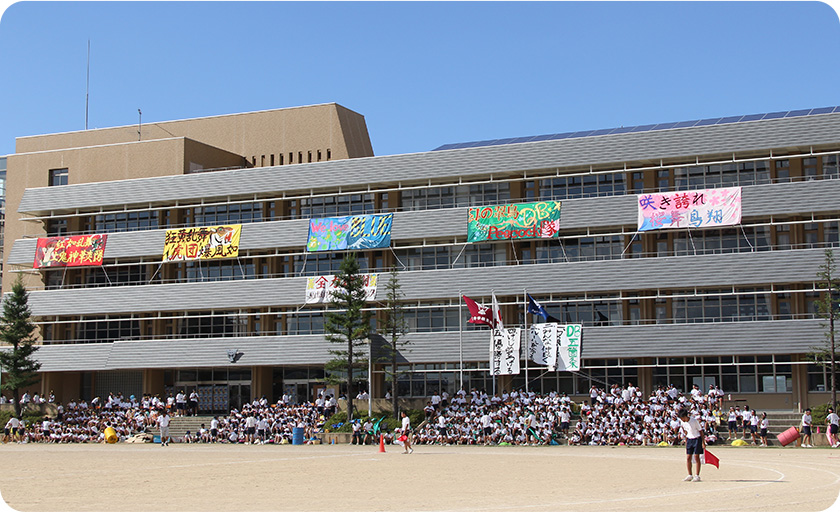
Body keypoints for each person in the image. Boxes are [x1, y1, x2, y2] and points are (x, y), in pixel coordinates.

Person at [678, 408, 704, 482]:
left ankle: (697, 475)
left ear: (685, 416)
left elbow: (701, 431)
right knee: (688, 457)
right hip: (689, 439)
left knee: (696, 457)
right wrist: (686, 438)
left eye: (682, 418)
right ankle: (690, 475)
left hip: (697, 439)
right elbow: (685, 430)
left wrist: (703, 442)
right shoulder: (682, 423)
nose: (682, 419)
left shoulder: (694, 421)